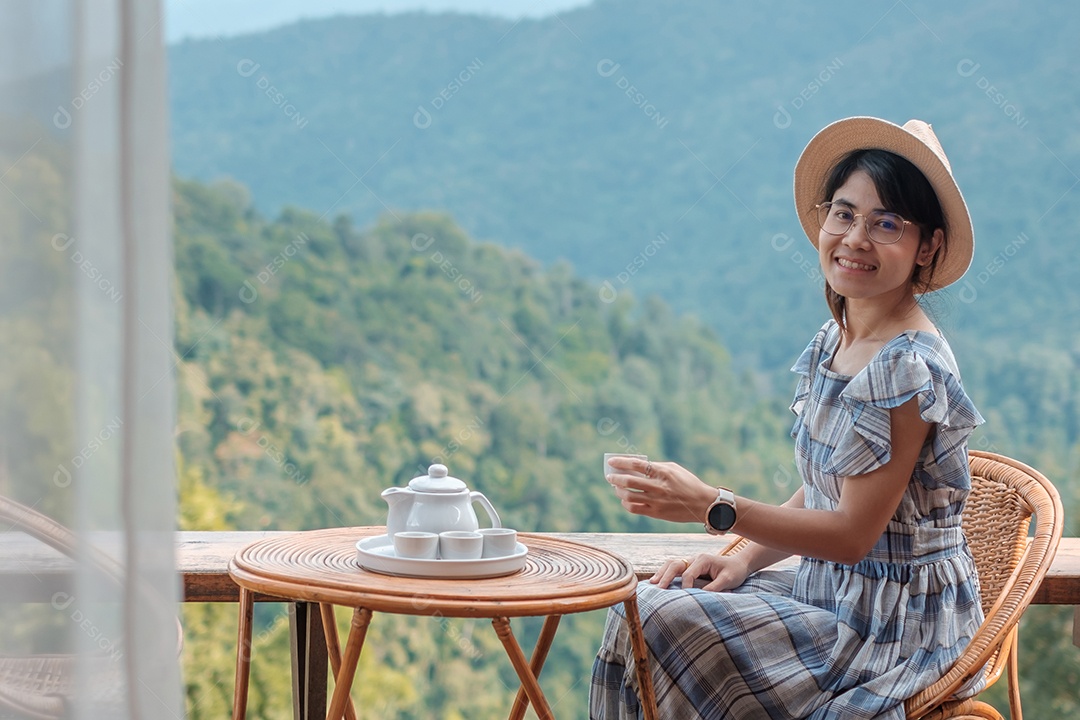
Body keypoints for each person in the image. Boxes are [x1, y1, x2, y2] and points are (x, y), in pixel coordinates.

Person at [591, 117, 986, 720]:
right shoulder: (840, 338)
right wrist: (742, 557)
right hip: (832, 592)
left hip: (894, 626)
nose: (855, 238)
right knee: (648, 600)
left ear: (926, 246)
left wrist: (712, 506)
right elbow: (831, 483)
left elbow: (853, 535)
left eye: (886, 224)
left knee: (657, 618)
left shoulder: (908, 366)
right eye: (845, 213)